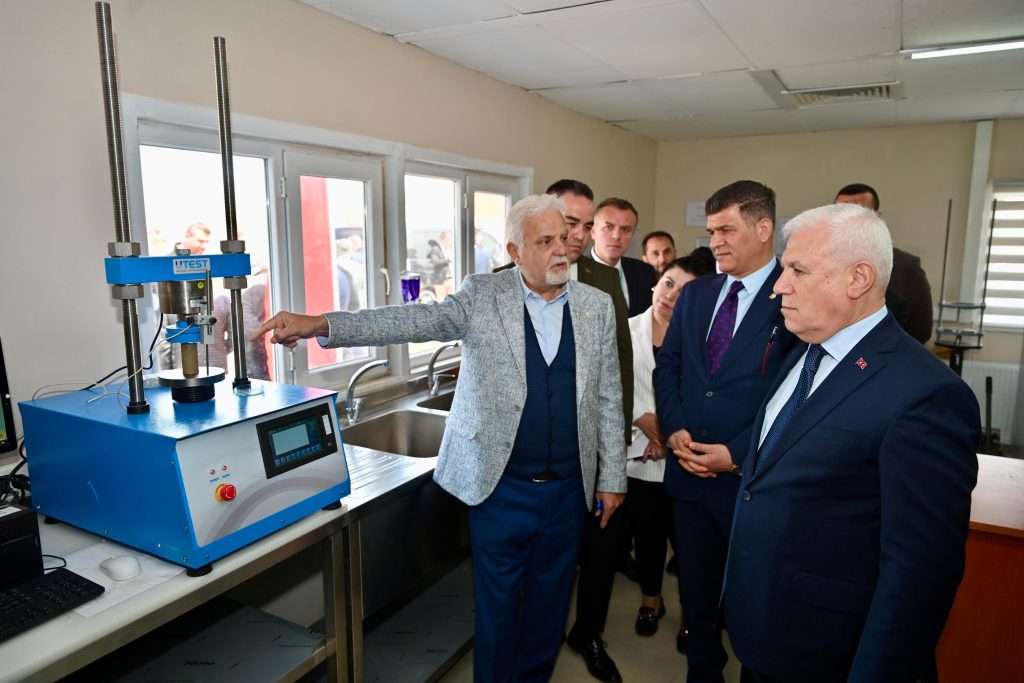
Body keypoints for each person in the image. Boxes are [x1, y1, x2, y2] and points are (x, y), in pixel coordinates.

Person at [254, 194, 626, 683]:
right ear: (515, 252)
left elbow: (608, 396)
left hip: (567, 492)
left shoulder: (595, 307)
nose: (561, 249)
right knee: (497, 614)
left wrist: (612, 476)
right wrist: (322, 324)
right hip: (500, 490)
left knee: (549, 610)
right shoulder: (483, 296)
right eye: (545, 241)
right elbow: (411, 320)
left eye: (564, 237)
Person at [724, 203, 979, 683]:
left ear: (858, 278)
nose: (779, 286)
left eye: (797, 270)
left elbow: (919, 572)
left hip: (831, 653)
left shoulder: (926, 395)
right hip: (763, 630)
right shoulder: (801, 350)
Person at [653, 180, 798, 683]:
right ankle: (703, 671)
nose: (714, 242)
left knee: (754, 600)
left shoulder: (793, 295)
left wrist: (736, 453)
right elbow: (668, 366)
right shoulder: (697, 294)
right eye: (711, 231)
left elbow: (796, 394)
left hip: (752, 483)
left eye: (726, 230)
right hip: (688, 477)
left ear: (763, 229)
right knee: (696, 593)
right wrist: (674, 427)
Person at [626, 254, 714, 647]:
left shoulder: (705, 340)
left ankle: (691, 614)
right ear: (655, 284)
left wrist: (670, 432)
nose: (670, 297)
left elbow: (705, 396)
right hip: (641, 457)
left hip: (684, 455)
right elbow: (610, 387)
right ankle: (651, 601)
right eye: (668, 284)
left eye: (683, 293)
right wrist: (641, 420)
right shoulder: (625, 331)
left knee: (689, 545)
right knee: (647, 537)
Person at [834, 183, 933, 343]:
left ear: (876, 218)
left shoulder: (905, 267)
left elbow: (920, 331)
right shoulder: (816, 261)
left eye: (858, 213)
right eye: (840, 212)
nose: (847, 220)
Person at [592, 198, 658, 317]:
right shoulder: (573, 273)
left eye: (625, 229)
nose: (616, 236)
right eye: (609, 227)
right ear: (593, 232)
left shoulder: (645, 273)